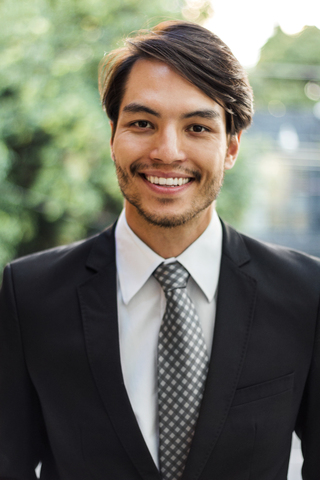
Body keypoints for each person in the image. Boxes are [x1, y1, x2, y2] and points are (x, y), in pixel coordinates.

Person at [0, 20, 319, 480]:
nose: (167, 152)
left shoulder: (306, 295)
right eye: (143, 123)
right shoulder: (28, 295)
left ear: (231, 146)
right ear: (113, 134)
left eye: (197, 127)